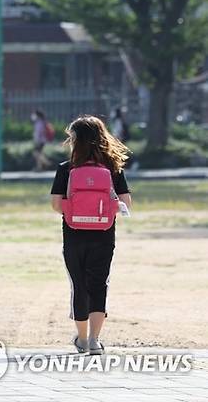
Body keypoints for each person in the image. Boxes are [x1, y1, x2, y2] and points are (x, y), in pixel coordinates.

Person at [50, 115, 132, 356]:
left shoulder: (66, 169)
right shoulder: (113, 169)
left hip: (74, 235)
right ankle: (95, 340)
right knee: (99, 285)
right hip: (104, 235)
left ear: (78, 141)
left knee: (79, 286)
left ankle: (82, 339)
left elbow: (56, 205)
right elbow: (125, 203)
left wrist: (76, 208)